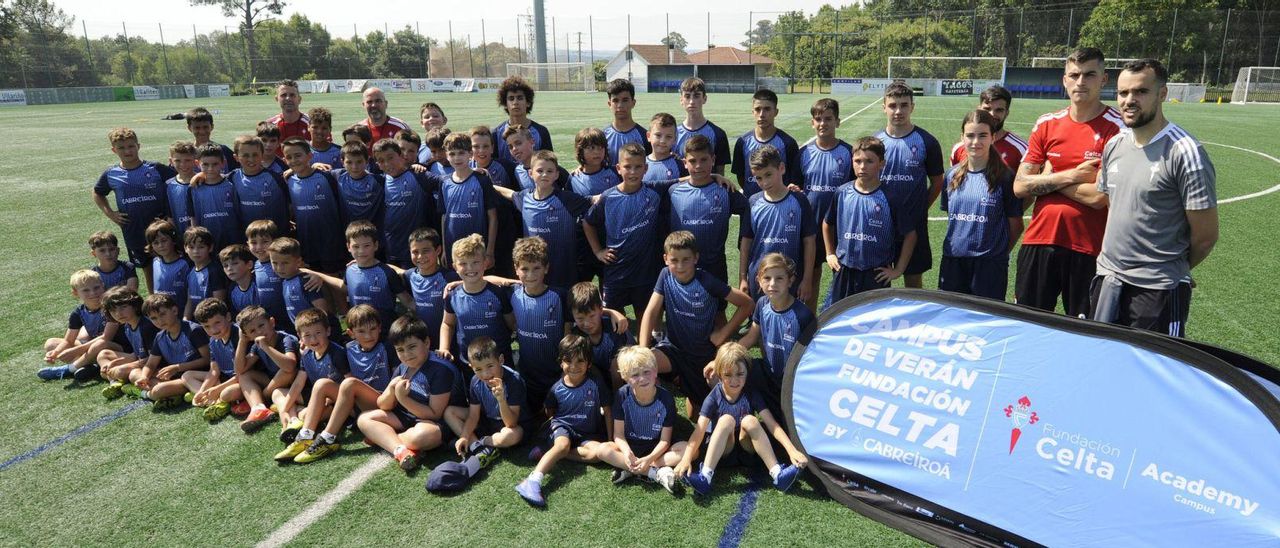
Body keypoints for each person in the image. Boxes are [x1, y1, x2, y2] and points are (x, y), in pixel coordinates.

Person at [1091, 58, 1218, 337]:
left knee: (1155, 372)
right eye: (1123, 93)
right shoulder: (1114, 144)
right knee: (1104, 362)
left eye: (1141, 92)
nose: (1129, 100)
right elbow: (1115, 204)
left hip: (1157, 290)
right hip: (1109, 279)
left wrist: (1172, 269)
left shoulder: (1185, 152)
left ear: (1162, 94)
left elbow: (1206, 235)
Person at [1012, 47, 1124, 318]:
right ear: (1064, 80)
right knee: (1028, 327)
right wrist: (1071, 175)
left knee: (1086, 335)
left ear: (1103, 80)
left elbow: (1099, 198)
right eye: (1074, 75)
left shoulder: (1118, 129)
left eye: (1089, 75)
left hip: (1089, 248)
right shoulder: (1047, 124)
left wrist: (1048, 176)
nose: (1080, 82)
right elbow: (1019, 187)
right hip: (1039, 241)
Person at [640, 231, 754, 412]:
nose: (680, 266)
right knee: (636, 367)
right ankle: (653, 408)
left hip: (702, 356)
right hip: (673, 350)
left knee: (698, 411)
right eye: (674, 260)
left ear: (696, 258)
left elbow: (747, 304)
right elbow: (651, 312)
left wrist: (722, 334)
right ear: (665, 259)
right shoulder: (665, 275)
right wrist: (643, 351)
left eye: (686, 259)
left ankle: (684, 384)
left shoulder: (707, 281)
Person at [676, 343, 807, 496]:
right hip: (723, 452)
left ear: (747, 372)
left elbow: (772, 425)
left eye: (740, 374)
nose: (734, 380)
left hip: (747, 451)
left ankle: (778, 474)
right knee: (726, 420)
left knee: (750, 420)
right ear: (718, 374)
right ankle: (705, 475)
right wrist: (686, 458)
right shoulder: (713, 397)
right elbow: (699, 431)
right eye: (728, 375)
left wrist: (792, 451)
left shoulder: (751, 393)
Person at [291, 304, 398, 464]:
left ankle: (327, 438)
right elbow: (325, 344)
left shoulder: (387, 347)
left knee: (349, 383)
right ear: (351, 333)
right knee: (321, 384)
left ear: (380, 328)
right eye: (361, 331)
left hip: (382, 402)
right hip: (356, 403)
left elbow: (399, 375)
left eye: (372, 329)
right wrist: (305, 343)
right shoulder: (348, 347)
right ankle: (306, 435)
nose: (368, 335)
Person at [515, 334, 612, 507]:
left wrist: (611, 440)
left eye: (580, 361)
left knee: (597, 455)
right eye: (568, 361)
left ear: (589, 363)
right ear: (561, 362)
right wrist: (556, 430)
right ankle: (532, 481)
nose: (574, 367)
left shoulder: (597, 384)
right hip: (563, 426)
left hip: (587, 434)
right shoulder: (556, 389)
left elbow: (608, 410)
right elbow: (550, 412)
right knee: (562, 445)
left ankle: (548, 453)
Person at [359, 315, 462, 473]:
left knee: (423, 435)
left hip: (436, 423)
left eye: (412, 347)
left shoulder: (440, 369)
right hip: (408, 418)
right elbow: (383, 405)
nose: (406, 354)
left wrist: (402, 398)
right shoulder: (403, 366)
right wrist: (392, 389)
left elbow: (435, 414)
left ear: (427, 343)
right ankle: (400, 449)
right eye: (400, 350)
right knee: (365, 419)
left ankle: (383, 438)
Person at [939, 111, 1024, 300]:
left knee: (986, 322)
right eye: (970, 135)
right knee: (951, 316)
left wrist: (997, 254)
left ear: (993, 137)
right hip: (953, 261)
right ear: (962, 137)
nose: (975, 141)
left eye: (982, 135)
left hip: (989, 265)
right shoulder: (951, 176)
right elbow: (952, 219)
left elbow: (1016, 226)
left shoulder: (1005, 177)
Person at [823, 137, 917, 305]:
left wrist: (899, 269)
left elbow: (910, 235)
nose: (862, 166)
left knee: (874, 322)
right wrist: (830, 253)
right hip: (844, 270)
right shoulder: (842, 193)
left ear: (881, 164)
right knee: (840, 318)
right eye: (857, 161)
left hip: (875, 274)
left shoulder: (891, 197)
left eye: (869, 161)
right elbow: (827, 223)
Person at [875, 81, 944, 290]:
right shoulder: (875, 142)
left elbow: (938, 182)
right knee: (878, 277)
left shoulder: (927, 141)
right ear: (884, 107)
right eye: (893, 105)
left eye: (904, 105)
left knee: (913, 281)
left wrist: (921, 207)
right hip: (880, 221)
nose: (898, 111)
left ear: (912, 107)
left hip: (913, 224)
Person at [93, 127, 178, 293]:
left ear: (138, 146)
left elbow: (179, 182)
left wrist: (170, 215)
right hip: (133, 230)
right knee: (146, 266)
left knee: (168, 261)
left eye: (131, 146)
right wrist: (110, 213)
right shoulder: (112, 174)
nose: (127, 151)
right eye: (121, 148)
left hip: (159, 229)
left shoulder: (155, 169)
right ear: (113, 150)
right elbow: (97, 193)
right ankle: (154, 298)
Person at [583, 143, 663, 319]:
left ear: (646, 168)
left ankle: (645, 344)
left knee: (644, 315)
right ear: (619, 168)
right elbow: (588, 222)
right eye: (627, 167)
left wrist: (715, 176)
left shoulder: (654, 190)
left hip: (644, 272)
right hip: (616, 272)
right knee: (613, 318)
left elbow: (684, 179)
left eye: (638, 167)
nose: (633, 171)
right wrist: (598, 251)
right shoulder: (608, 197)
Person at [735, 253, 815, 421]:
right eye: (767, 278)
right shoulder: (762, 304)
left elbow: (812, 357)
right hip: (768, 373)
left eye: (779, 278)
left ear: (790, 280)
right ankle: (741, 415)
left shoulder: (803, 315)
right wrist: (725, 357)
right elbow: (750, 338)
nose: (772, 284)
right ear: (759, 280)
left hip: (793, 383)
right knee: (734, 369)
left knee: (786, 426)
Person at [499, 150, 593, 289]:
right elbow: (509, 193)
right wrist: (485, 181)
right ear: (530, 173)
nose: (544, 174)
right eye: (540, 170)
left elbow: (594, 200)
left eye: (550, 171)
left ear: (556, 175)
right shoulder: (525, 198)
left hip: (564, 273)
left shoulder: (567, 199)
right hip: (535, 274)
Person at [596, 346, 682, 493]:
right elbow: (618, 434)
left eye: (646, 372)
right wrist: (627, 451)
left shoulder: (666, 399)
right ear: (625, 377)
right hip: (631, 449)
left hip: (657, 451)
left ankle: (631, 469)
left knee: (688, 450)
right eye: (635, 375)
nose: (642, 378)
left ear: (655, 371)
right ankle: (656, 473)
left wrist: (648, 459)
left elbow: (665, 441)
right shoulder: (622, 395)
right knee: (602, 450)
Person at [299, 220, 412, 333]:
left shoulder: (387, 272)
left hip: (384, 331)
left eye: (366, 245)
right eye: (356, 246)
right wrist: (319, 275)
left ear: (376, 245)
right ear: (348, 247)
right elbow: (345, 287)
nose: (361, 251)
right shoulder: (350, 269)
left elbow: (408, 301)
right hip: (360, 331)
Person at [667, 134, 749, 289]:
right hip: (681, 264)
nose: (698, 166)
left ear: (713, 159)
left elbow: (749, 209)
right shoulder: (673, 192)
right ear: (685, 163)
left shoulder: (725, 190)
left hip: (715, 265)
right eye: (692, 161)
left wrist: (742, 242)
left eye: (704, 160)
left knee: (718, 311)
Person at [739, 145, 817, 303]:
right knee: (759, 322)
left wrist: (807, 279)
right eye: (759, 178)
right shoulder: (753, 202)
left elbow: (809, 242)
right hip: (759, 278)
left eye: (768, 174)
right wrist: (743, 278)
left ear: (781, 168)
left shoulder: (799, 200)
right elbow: (746, 242)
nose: (764, 182)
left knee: (788, 322)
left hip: (790, 279)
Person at [274, 308, 352, 460]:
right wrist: (285, 409)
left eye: (318, 333)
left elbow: (349, 384)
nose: (313, 339)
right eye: (307, 335)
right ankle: (293, 420)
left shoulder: (337, 353)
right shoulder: (307, 354)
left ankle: (305, 435)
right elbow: (298, 383)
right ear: (300, 337)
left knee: (319, 389)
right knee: (278, 393)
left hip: (340, 402)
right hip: (320, 398)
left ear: (328, 331)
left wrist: (329, 399)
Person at [450, 336, 531, 479]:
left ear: (500, 360)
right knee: (450, 412)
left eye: (490, 366)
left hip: (512, 426)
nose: (485, 374)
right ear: (471, 367)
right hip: (488, 423)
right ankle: (477, 446)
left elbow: (511, 423)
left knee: (511, 435)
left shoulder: (514, 380)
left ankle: (481, 444)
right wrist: (464, 436)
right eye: (478, 369)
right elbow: (473, 415)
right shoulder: (475, 381)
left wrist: (501, 399)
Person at [800, 98, 852, 308]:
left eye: (828, 119)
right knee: (811, 275)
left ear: (838, 122)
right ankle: (811, 322)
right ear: (812, 123)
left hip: (839, 227)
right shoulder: (803, 153)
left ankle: (836, 319)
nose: (823, 124)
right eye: (818, 119)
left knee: (840, 275)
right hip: (810, 226)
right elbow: (796, 186)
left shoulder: (849, 153)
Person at [120, 293, 211, 410]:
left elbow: (207, 360)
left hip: (192, 377)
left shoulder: (193, 330)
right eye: (153, 318)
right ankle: (173, 395)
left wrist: (178, 367)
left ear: (174, 310)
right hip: (174, 377)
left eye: (162, 314)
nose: (159, 321)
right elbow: (151, 364)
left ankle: (144, 394)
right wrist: (144, 377)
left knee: (158, 390)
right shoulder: (160, 336)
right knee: (134, 374)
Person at [439, 234, 516, 367]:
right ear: (454, 266)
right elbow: (448, 324)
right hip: (468, 363)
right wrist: (444, 347)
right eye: (463, 263)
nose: (470, 268)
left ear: (485, 263)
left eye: (475, 262)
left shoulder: (498, 293)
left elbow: (513, 325)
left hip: (500, 361)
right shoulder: (452, 296)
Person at [282, 137, 349, 275]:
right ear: (285, 160)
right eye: (289, 157)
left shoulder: (327, 177)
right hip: (307, 243)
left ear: (309, 156)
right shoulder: (288, 180)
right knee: (314, 282)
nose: (294, 160)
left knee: (334, 281)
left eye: (298, 155)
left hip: (331, 242)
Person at [375, 138, 442, 268]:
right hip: (390, 247)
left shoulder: (419, 175)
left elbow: (448, 181)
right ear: (377, 164)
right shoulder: (380, 181)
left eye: (390, 158)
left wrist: (472, 172)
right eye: (381, 161)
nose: (387, 164)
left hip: (416, 251)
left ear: (401, 156)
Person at [37, 270, 112, 381]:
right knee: (51, 344)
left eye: (96, 288)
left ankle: (70, 369)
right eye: (86, 290)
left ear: (103, 286)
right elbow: (68, 341)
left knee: (100, 344)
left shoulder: (112, 306)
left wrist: (75, 351)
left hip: (111, 348)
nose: (93, 293)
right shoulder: (78, 312)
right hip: (91, 348)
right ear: (75, 293)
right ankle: (88, 366)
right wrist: (55, 353)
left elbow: (106, 337)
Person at [235, 305, 300, 433]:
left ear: (272, 322)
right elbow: (240, 369)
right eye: (252, 331)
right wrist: (242, 342)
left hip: (294, 383)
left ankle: (264, 396)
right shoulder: (256, 345)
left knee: (287, 371)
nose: (259, 332)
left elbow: (290, 366)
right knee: (244, 376)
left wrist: (266, 347)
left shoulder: (286, 339)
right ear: (247, 335)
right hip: (273, 382)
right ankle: (258, 408)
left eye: (261, 325)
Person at [438, 133, 499, 268]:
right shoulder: (444, 182)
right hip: (452, 249)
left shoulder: (482, 180)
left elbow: (493, 217)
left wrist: (489, 251)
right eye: (452, 154)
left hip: (477, 249)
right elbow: (444, 217)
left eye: (461, 153)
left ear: (470, 154)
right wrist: (444, 249)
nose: (457, 158)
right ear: (447, 156)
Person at [732, 89, 803, 197]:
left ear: (776, 112)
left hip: (781, 207)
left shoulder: (788, 143)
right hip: (751, 206)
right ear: (753, 112)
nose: (762, 114)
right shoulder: (742, 142)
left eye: (767, 109)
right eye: (757, 109)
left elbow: (794, 178)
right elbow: (741, 176)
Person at [189, 298, 246, 422]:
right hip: (226, 379)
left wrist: (217, 389)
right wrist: (202, 390)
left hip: (243, 380)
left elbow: (242, 374)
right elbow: (214, 371)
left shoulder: (238, 335)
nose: (213, 330)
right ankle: (209, 397)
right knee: (187, 376)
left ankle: (220, 401)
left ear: (228, 317)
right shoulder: (212, 340)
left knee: (227, 393)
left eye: (217, 323)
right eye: (207, 326)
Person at [97, 287, 159, 396]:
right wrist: (114, 363)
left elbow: (155, 357)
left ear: (135, 305)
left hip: (156, 365)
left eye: (123, 308)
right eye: (113, 310)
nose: (118, 314)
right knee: (103, 355)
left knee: (130, 373)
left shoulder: (147, 326)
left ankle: (155, 390)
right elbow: (138, 353)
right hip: (143, 362)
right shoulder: (127, 326)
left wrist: (128, 366)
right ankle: (115, 382)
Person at [950, 85, 1028, 171]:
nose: (992, 114)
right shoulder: (959, 149)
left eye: (999, 110)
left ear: (1006, 113)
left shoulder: (1021, 149)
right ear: (978, 109)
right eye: (987, 109)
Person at [569, 281, 632, 387]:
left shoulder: (614, 330)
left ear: (601, 310)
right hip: (598, 380)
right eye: (580, 318)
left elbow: (617, 373)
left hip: (624, 378)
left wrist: (615, 400)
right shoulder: (576, 335)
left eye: (592, 316)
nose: (587, 323)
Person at [402, 227, 458, 342]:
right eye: (415, 252)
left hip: (449, 340)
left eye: (426, 251)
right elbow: (394, 271)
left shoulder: (451, 277)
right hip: (421, 340)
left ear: (438, 250)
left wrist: (504, 281)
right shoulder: (409, 275)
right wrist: (359, 262)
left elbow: (477, 280)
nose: (420, 256)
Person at [228, 135, 290, 234]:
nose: (251, 159)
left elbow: (290, 202)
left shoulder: (276, 178)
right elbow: (215, 178)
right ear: (236, 157)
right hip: (247, 238)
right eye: (246, 155)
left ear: (262, 155)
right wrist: (201, 175)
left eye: (255, 155)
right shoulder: (232, 177)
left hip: (275, 236)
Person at [188, 144, 242, 250]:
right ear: (197, 164)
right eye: (205, 164)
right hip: (207, 242)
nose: (210, 168)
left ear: (223, 163)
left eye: (215, 164)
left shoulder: (231, 184)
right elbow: (192, 216)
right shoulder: (193, 188)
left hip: (233, 239)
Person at [675, 77, 732, 175]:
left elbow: (720, 173)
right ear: (681, 100)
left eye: (696, 96)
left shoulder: (718, 134)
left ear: (704, 99)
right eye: (687, 96)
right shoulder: (673, 134)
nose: (692, 101)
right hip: (679, 189)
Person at [493, 76, 553, 166]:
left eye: (520, 98)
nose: (515, 102)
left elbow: (550, 163)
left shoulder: (541, 132)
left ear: (528, 102)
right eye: (511, 98)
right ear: (505, 104)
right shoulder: (496, 133)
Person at [245, 220, 291, 332]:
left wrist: (313, 275)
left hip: (288, 316)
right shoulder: (255, 265)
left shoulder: (281, 263)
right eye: (254, 243)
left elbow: (298, 272)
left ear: (275, 242)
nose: (259, 247)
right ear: (248, 244)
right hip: (270, 321)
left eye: (265, 241)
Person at [145, 219, 192, 315]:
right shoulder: (155, 262)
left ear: (173, 240)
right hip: (162, 317)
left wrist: (186, 317)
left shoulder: (186, 264)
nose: (161, 245)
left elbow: (191, 297)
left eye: (164, 240)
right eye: (156, 243)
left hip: (181, 316)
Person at [181, 226, 228, 320]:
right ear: (185, 248)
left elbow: (219, 304)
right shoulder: (190, 272)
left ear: (210, 248)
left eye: (201, 247)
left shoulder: (214, 271)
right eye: (191, 247)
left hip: (212, 324)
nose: (195, 251)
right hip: (198, 323)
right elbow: (190, 301)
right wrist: (185, 321)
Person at [333, 141, 383, 227]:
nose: (354, 167)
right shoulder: (337, 176)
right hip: (346, 230)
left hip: (371, 231)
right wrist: (315, 165)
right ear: (342, 162)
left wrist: (411, 167)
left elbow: (396, 174)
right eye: (349, 162)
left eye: (359, 162)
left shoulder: (378, 180)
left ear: (367, 161)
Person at [603, 79, 650, 165]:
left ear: (633, 103)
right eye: (615, 101)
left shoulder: (644, 136)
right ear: (609, 104)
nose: (620, 105)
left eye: (625, 100)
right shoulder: (603, 136)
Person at [569, 127, 621, 197]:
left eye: (600, 147)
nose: (597, 152)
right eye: (591, 148)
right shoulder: (574, 178)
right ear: (580, 151)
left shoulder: (616, 173)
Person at [184, 106, 236, 172]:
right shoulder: (185, 152)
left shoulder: (224, 151)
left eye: (205, 127)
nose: (202, 131)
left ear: (212, 127)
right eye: (197, 128)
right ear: (189, 128)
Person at [265, 79, 310, 153]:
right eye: (283, 95)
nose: (288, 98)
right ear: (277, 99)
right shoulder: (269, 125)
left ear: (299, 99)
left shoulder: (312, 124)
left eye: (292, 95)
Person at [643, 113, 686, 183]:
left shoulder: (680, 165)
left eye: (668, 137)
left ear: (675, 139)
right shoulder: (639, 164)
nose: (663, 141)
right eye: (658, 135)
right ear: (648, 136)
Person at [165, 141, 197, 231]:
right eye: (177, 161)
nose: (183, 165)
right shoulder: (168, 185)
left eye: (187, 160)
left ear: (195, 161)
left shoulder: (203, 181)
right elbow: (170, 217)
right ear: (171, 161)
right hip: (181, 237)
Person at [221, 244, 259, 315]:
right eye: (225, 265)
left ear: (249, 264)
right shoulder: (232, 290)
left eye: (235, 263)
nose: (229, 268)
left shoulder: (259, 284)